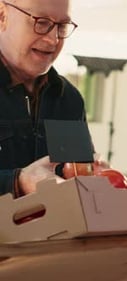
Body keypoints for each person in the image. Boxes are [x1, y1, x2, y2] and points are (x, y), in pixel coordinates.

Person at [0, 0, 98, 198]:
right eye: (42, 22)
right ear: (2, 15)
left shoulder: (69, 98)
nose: (53, 40)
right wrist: (18, 182)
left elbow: (77, 176)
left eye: (62, 26)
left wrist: (95, 177)